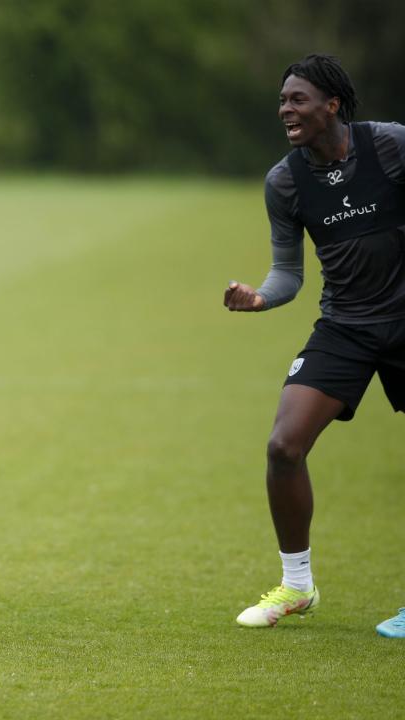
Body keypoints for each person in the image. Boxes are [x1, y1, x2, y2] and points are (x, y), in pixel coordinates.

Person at [225, 54, 405, 638]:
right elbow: (288, 274)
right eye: (282, 101)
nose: (286, 110)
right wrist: (260, 298)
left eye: (298, 99)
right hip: (346, 326)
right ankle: (297, 585)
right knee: (284, 446)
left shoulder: (391, 146)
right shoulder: (285, 180)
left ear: (333, 103)